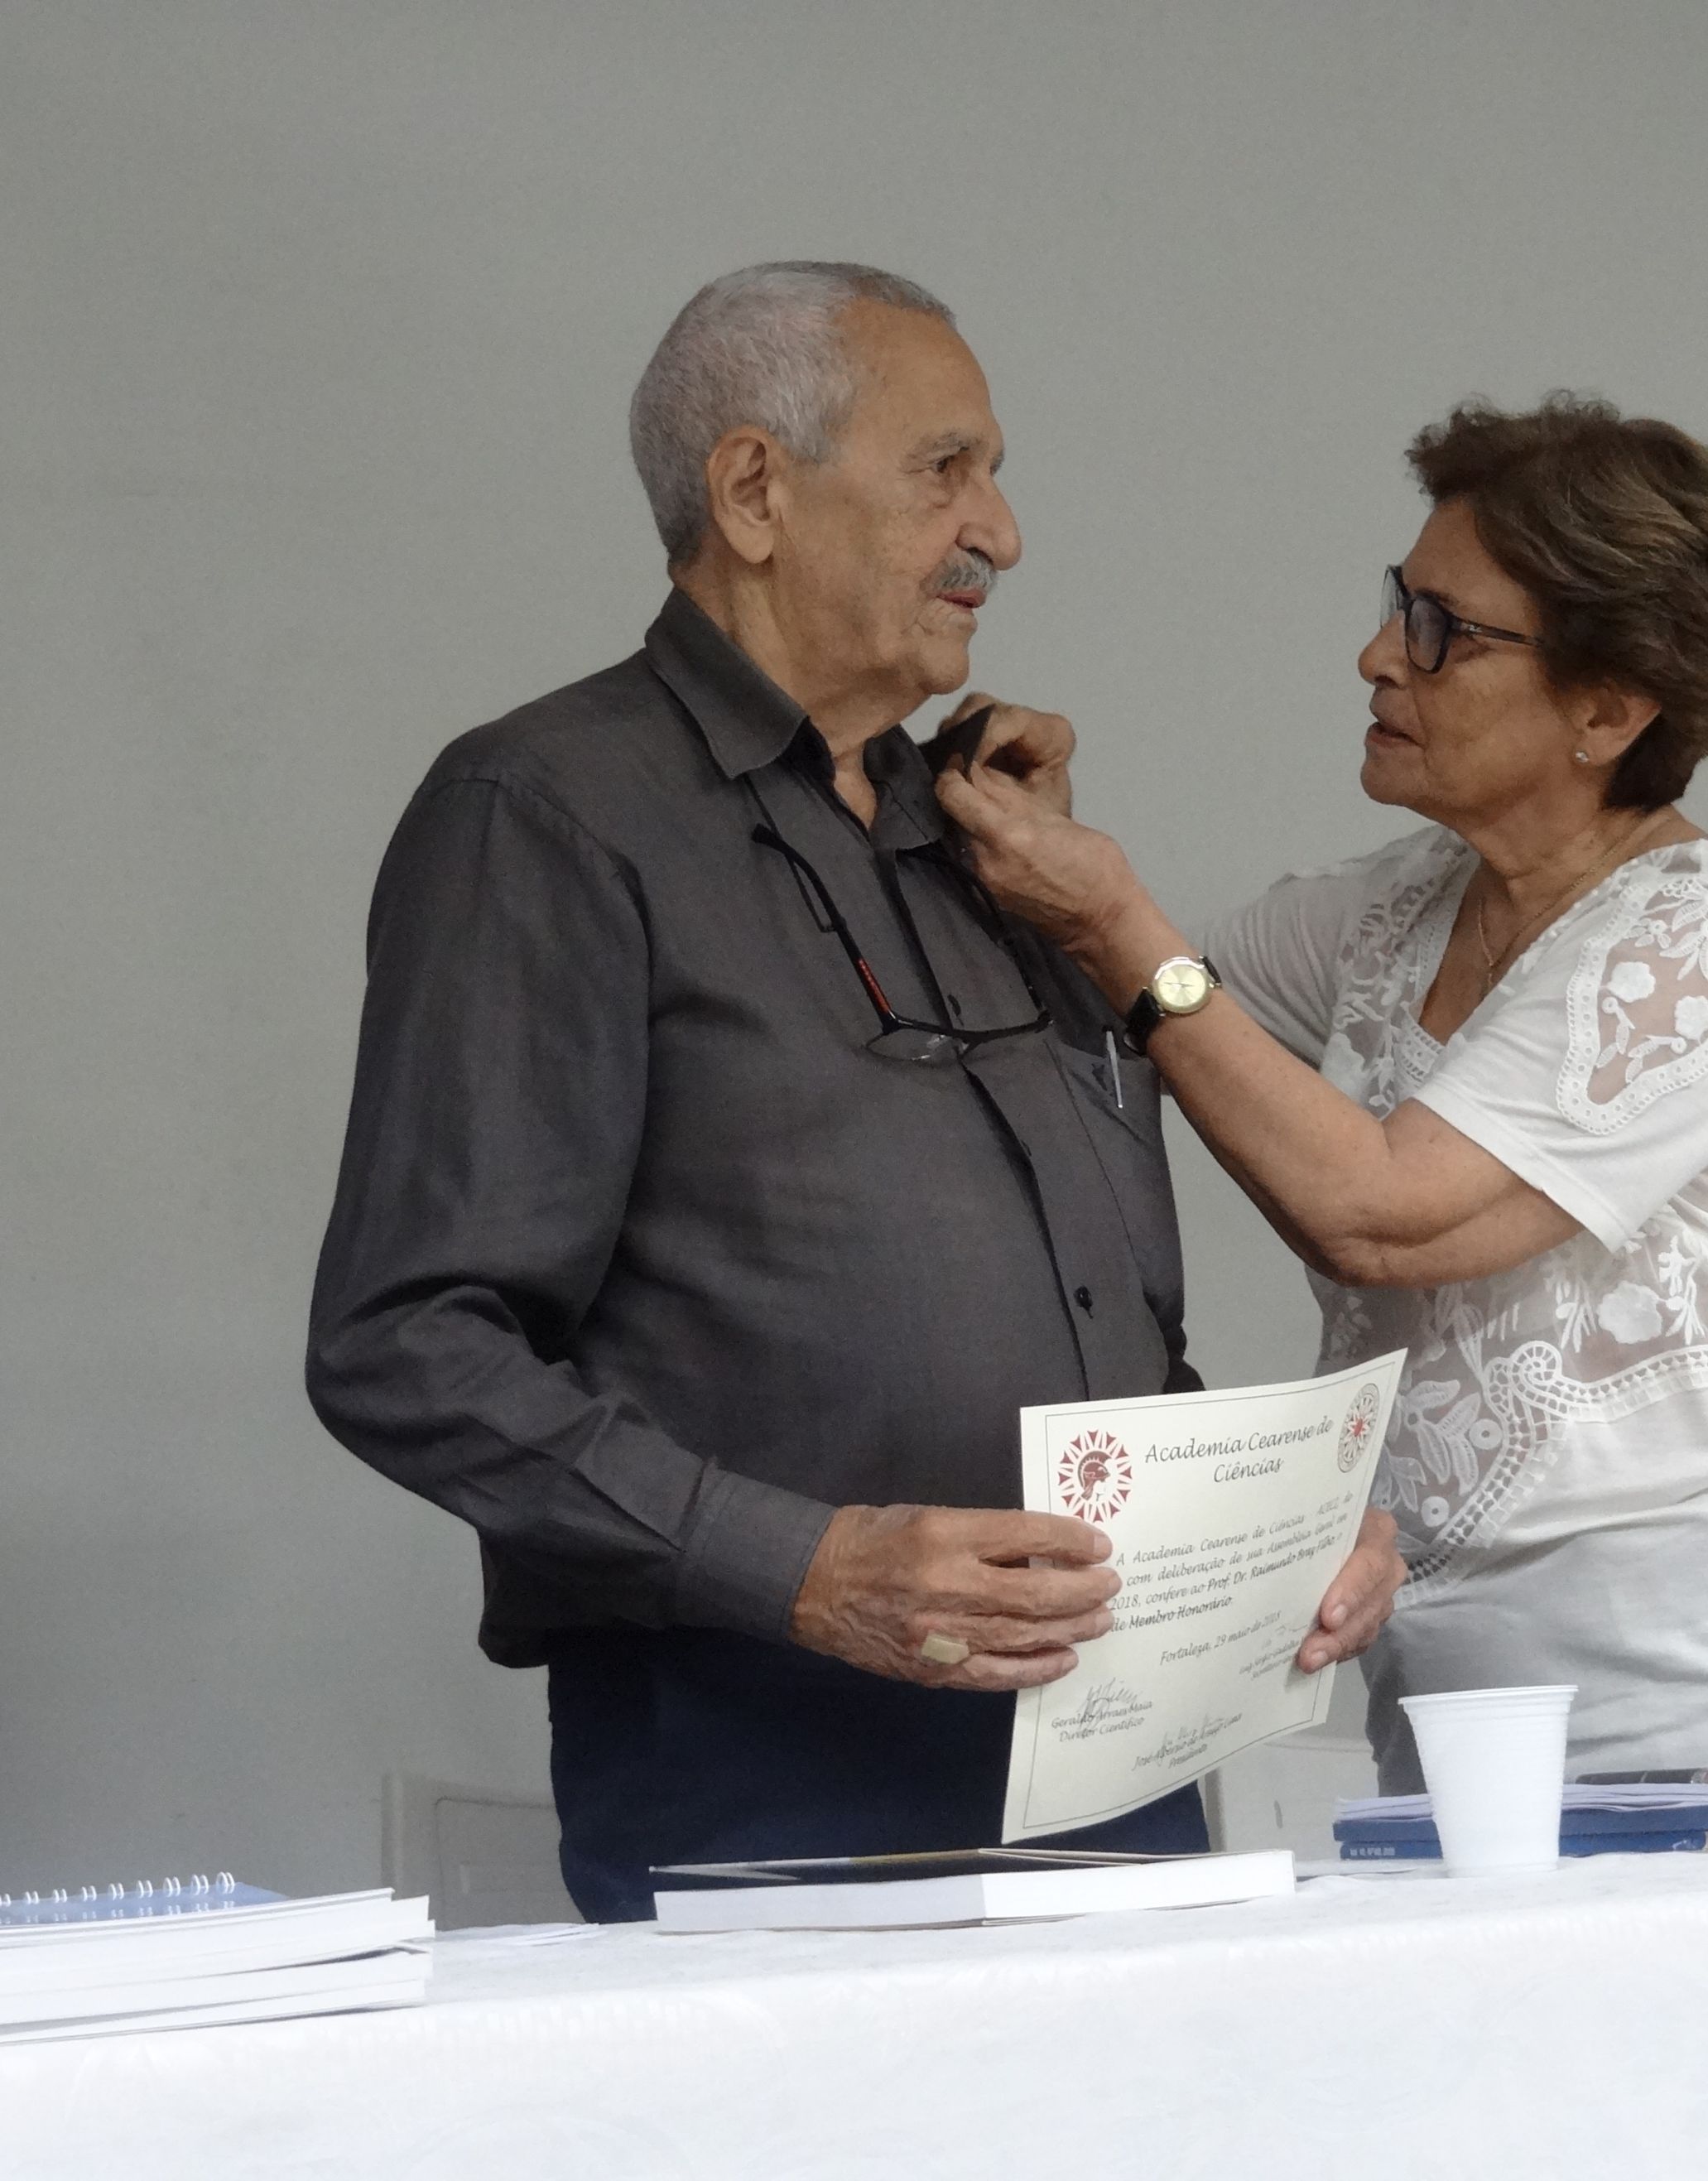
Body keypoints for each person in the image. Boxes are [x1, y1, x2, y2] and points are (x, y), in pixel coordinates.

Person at [305, 261, 1404, 1918]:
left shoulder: (986, 839)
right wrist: (806, 1572)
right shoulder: (543, 810)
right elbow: (407, 1345)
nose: (1003, 533)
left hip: (1121, 1764)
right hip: (767, 1768)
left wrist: (1269, 1545)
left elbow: (1101, 1320)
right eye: (945, 468)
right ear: (754, 490)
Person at [938, 396, 1708, 1789]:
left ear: (1609, 709)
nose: (1379, 654)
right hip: (1461, 1684)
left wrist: (1115, 915)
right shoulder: (1397, 915)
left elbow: (1386, 1212)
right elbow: (1148, 1005)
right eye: (1400, 603)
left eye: (1443, 629)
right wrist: (1059, 860)